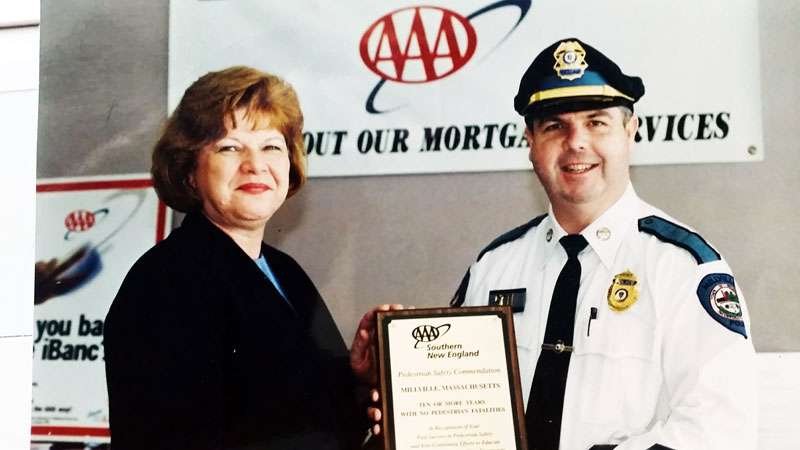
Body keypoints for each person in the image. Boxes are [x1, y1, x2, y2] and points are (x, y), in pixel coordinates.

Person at [352, 38, 757, 449]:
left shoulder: (684, 268)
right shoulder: (494, 266)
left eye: (596, 122)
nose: (576, 142)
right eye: (554, 126)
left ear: (630, 132)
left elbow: (720, 430)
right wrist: (396, 391)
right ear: (530, 141)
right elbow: (453, 418)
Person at [104, 66, 362, 450]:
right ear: (190, 170)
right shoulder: (165, 283)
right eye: (230, 147)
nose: (255, 164)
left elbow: (318, 415)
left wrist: (360, 377)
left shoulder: (285, 272)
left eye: (271, 146)